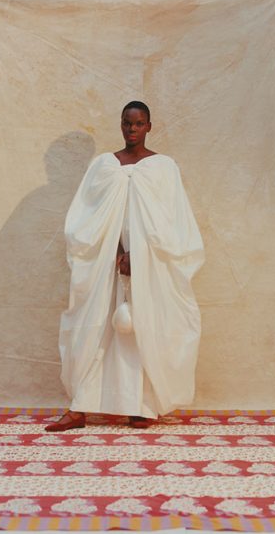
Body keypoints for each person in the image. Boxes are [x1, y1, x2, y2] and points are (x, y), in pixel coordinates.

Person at [45, 101, 204, 432]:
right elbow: (87, 217)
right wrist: (116, 253)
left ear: (149, 126)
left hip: (150, 267)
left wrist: (139, 256)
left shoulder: (163, 168)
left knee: (141, 326)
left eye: (139, 123)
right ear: (120, 124)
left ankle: (141, 406)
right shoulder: (103, 166)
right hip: (105, 265)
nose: (132, 129)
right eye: (127, 123)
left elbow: (172, 221)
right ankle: (80, 407)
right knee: (97, 328)